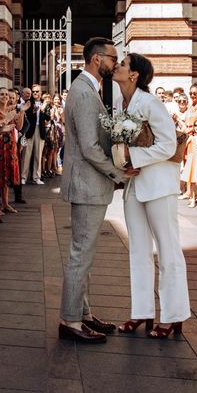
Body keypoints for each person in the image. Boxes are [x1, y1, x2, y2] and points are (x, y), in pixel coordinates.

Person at [59, 37, 136, 343]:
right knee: (80, 255)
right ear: (96, 59)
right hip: (87, 185)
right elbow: (90, 148)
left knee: (85, 255)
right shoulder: (82, 91)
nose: (115, 63)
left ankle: (83, 314)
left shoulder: (89, 89)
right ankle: (70, 321)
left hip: (90, 184)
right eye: (112, 58)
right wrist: (116, 171)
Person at [113, 53, 190, 338]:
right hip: (133, 185)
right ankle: (141, 311)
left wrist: (133, 156)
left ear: (134, 75)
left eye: (123, 64)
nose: (117, 66)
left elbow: (169, 146)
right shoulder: (121, 104)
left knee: (168, 250)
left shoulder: (151, 102)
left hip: (159, 184)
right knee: (138, 250)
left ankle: (173, 315)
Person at [22, 84, 51, 185]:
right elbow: (26, 116)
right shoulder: (28, 102)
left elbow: (48, 118)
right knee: (26, 154)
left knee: (38, 155)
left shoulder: (45, 104)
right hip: (29, 130)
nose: (35, 93)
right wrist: (33, 111)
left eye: (37, 91)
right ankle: (23, 177)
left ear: (41, 92)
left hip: (40, 130)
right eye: (33, 91)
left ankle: (36, 177)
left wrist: (42, 110)